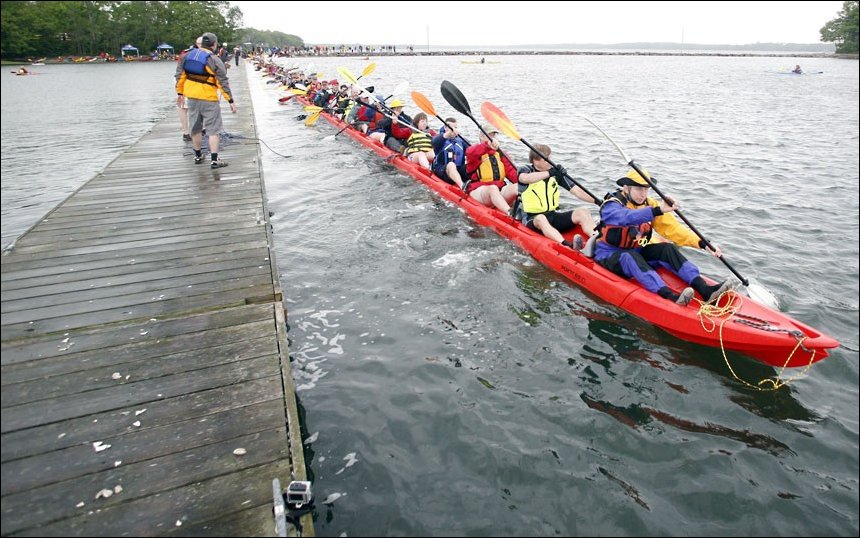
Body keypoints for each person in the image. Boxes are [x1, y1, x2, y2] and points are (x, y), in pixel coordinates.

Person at [593, 169, 733, 306]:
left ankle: (705, 289)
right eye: (638, 189)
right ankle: (669, 296)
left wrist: (703, 243)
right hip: (608, 255)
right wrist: (658, 210)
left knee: (667, 248)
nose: (643, 194)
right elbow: (627, 217)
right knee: (629, 257)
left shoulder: (650, 204)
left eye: (646, 190)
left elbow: (674, 230)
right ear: (626, 187)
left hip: (637, 251)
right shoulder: (611, 205)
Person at [515, 144, 597, 250]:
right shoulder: (525, 170)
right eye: (546, 158)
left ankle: (596, 239)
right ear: (536, 160)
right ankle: (566, 245)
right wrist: (549, 173)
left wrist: (598, 201)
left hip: (553, 216)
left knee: (583, 211)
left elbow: (577, 191)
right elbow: (525, 179)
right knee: (541, 218)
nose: (550, 161)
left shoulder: (555, 173)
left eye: (550, 157)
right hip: (532, 219)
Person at [176, 32, 237, 169]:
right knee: (213, 130)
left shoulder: (186, 56)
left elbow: (180, 76)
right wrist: (230, 101)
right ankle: (214, 160)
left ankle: (198, 155)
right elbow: (222, 82)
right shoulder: (215, 60)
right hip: (209, 99)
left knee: (195, 128)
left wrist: (180, 93)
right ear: (214, 45)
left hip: (191, 98)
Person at [464, 124, 519, 213]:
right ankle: (509, 213)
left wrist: (525, 180)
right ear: (481, 136)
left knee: (517, 187)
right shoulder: (474, 152)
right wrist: (488, 145)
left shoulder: (501, 153)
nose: (492, 138)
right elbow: (470, 152)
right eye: (489, 135)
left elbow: (512, 173)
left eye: (493, 135)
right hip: (479, 191)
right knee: (492, 188)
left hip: (500, 190)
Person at [174, 37, 202, 143]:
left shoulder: (204, 53)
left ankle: (198, 129)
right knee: (183, 107)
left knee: (197, 106)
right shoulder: (188, 54)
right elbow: (180, 72)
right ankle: (186, 132)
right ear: (197, 44)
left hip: (197, 84)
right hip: (185, 82)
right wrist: (179, 89)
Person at [431, 118, 467, 189]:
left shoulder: (461, 141)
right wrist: (448, 133)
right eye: (451, 128)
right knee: (451, 164)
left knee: (470, 166)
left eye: (455, 127)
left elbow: (473, 151)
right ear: (445, 127)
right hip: (442, 170)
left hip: (458, 169)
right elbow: (434, 142)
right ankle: (462, 186)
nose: (453, 130)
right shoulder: (440, 139)